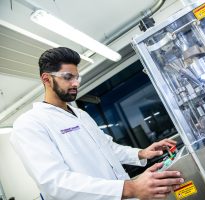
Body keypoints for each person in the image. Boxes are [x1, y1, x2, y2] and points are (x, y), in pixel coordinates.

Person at [10, 47, 183, 200]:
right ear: (47, 79)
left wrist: (141, 153)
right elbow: (56, 183)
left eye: (77, 77)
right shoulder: (30, 124)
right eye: (68, 77)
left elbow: (108, 148)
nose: (75, 83)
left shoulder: (81, 115)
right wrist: (130, 188)